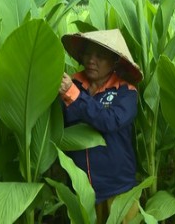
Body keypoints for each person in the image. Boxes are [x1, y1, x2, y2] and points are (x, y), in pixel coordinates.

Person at [58, 29, 143, 224]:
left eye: (100, 56)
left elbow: (110, 121)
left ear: (114, 61)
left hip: (118, 189)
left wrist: (74, 96)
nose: (91, 60)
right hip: (81, 190)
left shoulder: (126, 91)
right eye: (87, 53)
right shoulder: (72, 84)